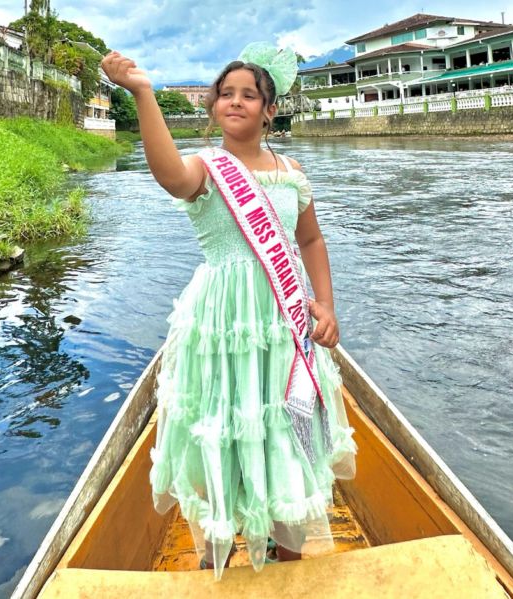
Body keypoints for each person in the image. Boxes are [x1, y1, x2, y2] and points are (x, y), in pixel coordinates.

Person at [101, 42, 357, 581]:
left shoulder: (291, 172)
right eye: (225, 93)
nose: (235, 101)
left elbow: (310, 242)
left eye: (249, 94)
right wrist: (143, 93)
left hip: (282, 327)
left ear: (270, 109)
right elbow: (168, 173)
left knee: (285, 431)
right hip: (223, 325)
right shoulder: (204, 168)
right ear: (214, 107)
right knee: (220, 427)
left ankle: (289, 563)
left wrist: (326, 303)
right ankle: (214, 548)